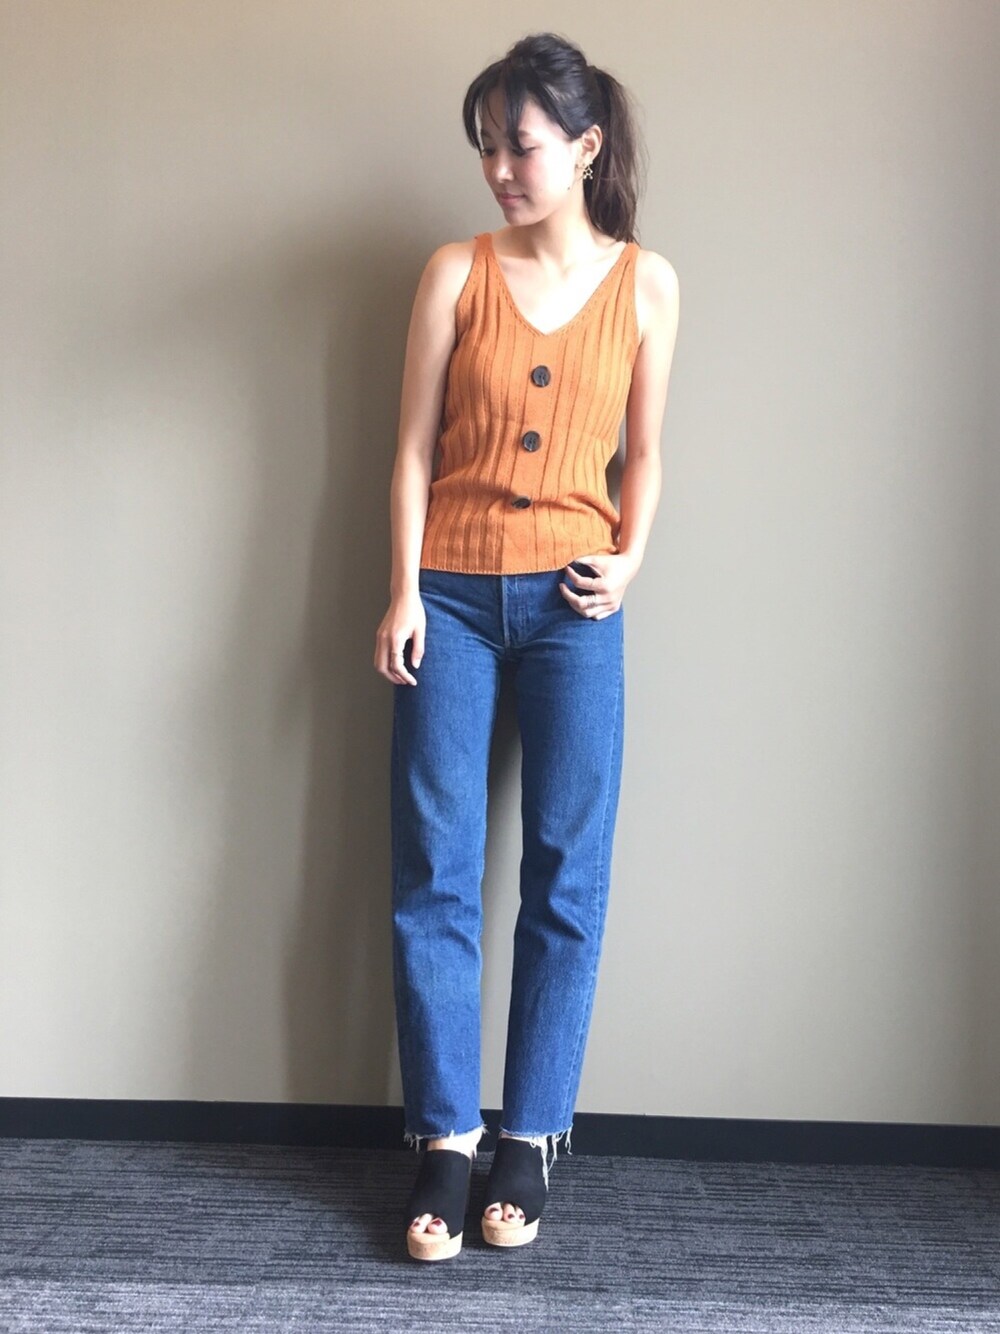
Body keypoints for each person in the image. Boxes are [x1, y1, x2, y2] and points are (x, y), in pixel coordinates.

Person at [373, 31, 679, 1262]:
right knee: (434, 868)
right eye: (487, 147)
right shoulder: (453, 271)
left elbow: (645, 450)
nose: (499, 168)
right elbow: (410, 447)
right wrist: (402, 590)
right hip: (446, 597)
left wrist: (632, 554)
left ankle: (531, 1134)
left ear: (585, 145)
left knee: (565, 871)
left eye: (522, 145)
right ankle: (447, 1136)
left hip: (573, 605)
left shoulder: (647, 284)